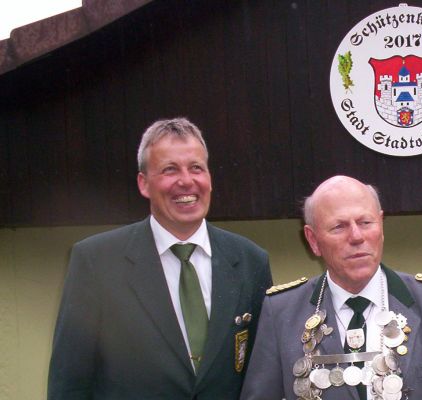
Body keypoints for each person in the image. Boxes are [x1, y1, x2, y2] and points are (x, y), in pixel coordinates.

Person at [48, 118, 272, 399]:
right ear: (144, 184)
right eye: (169, 170)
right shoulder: (95, 262)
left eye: (196, 168)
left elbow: (263, 376)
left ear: (209, 178)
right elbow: (70, 383)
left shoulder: (251, 261)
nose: (186, 181)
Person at [241, 175, 422, 400]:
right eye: (339, 226)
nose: (357, 236)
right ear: (313, 240)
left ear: (381, 225)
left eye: (365, 222)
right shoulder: (281, 313)